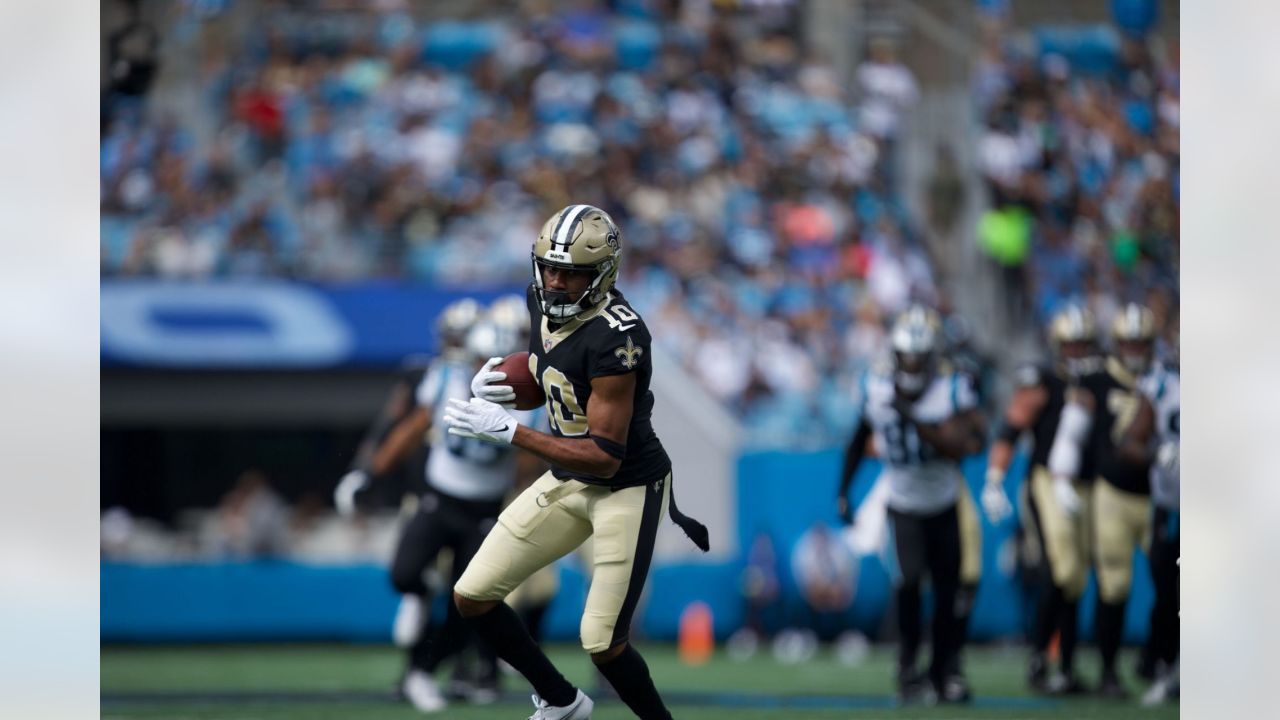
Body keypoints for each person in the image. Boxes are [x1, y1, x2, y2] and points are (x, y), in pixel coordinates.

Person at [443, 204, 709, 720]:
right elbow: (552, 381)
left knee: (602, 641)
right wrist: (501, 388)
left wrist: (511, 431)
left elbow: (606, 456)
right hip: (570, 475)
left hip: (626, 485)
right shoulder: (538, 302)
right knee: (472, 594)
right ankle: (562, 701)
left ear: (603, 273)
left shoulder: (619, 336)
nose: (556, 281)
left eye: (571, 272)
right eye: (549, 267)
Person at [335, 300, 538, 713]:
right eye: (481, 359)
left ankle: (422, 673)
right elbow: (412, 428)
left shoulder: (527, 397)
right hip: (438, 499)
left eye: (495, 362)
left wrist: (508, 432)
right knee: (403, 575)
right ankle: (426, 613)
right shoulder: (446, 376)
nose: (488, 369)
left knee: (467, 604)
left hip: (483, 512)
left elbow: (530, 464)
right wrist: (370, 476)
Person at [836, 305, 985, 704]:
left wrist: (918, 421)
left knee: (948, 590)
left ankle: (943, 671)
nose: (914, 363)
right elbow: (857, 437)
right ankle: (907, 670)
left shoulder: (952, 389)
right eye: (908, 354)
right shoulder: (876, 389)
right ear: (896, 354)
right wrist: (843, 491)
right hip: (902, 505)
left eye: (921, 355)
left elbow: (970, 444)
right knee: (908, 587)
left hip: (943, 501)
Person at [983, 304, 1101, 694]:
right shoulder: (1043, 381)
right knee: (1060, 571)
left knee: (1076, 577)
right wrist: (995, 478)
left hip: (1087, 485)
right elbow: (1011, 427)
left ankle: (1065, 665)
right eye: (1071, 345)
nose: (1078, 352)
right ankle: (1038, 659)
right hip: (1046, 483)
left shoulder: (1100, 382)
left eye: (1083, 344)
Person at [1045, 303, 1157, 698]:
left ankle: (1161, 661)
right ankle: (1108, 671)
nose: (1135, 348)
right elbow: (1071, 433)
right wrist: (1060, 479)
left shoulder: (1167, 379)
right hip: (1111, 491)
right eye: (1129, 340)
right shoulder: (1095, 380)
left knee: (1177, 583)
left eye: (1141, 341)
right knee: (1114, 584)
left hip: (1162, 495)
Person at [1120, 320, 1180, 705]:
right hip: (1172, 506)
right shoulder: (1161, 384)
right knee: (1169, 593)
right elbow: (1129, 441)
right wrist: (1156, 452)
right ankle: (1162, 663)